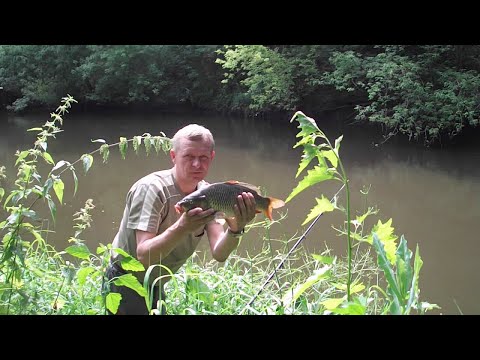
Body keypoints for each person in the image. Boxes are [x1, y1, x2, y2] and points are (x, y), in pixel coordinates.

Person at [105, 124, 256, 315]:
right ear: (173, 156)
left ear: (212, 157)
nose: (196, 165)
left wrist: (236, 229)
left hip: (156, 282)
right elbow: (144, 256)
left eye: (203, 158)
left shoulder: (208, 193)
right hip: (126, 280)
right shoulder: (152, 189)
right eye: (189, 157)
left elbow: (219, 253)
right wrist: (182, 227)